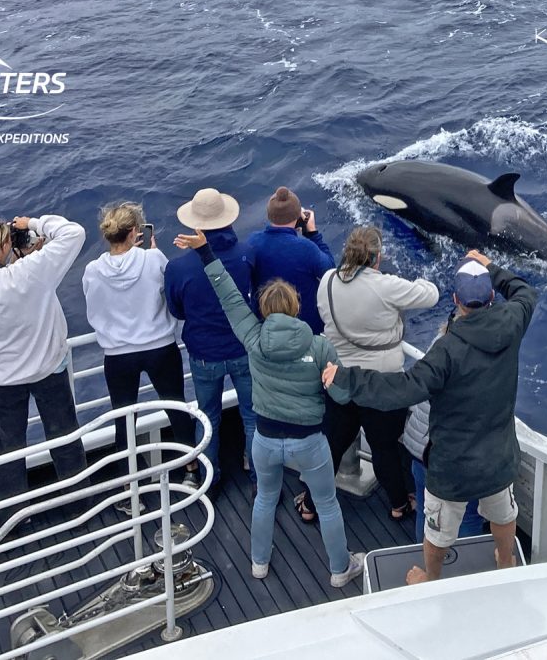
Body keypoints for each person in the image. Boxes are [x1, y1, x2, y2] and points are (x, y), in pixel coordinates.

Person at [323, 250, 536, 584]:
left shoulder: (446, 351)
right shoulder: (513, 322)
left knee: (437, 531)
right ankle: (506, 561)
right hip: (498, 455)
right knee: (503, 513)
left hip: (452, 465)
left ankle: (429, 575)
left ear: (455, 300)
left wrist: (344, 378)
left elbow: (402, 389)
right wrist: (491, 266)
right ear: (492, 296)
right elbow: (525, 291)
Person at [174, 228, 364, 588]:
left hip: (265, 438)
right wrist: (336, 380)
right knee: (327, 504)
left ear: (262, 309)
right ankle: (341, 570)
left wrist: (206, 254)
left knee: (264, 499)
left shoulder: (253, 339)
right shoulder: (320, 346)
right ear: (295, 307)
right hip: (309, 442)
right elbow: (341, 397)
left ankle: (258, 564)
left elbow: (229, 297)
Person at [296, 226, 439, 523]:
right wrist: (423, 276)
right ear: (377, 257)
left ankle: (310, 504)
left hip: (339, 380)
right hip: (382, 384)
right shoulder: (386, 286)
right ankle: (399, 504)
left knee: (332, 446)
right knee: (384, 448)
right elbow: (431, 295)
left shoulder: (327, 281)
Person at [0, 214, 87, 522]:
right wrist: (33, 223)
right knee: (64, 440)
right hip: (48, 372)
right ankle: (78, 507)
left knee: (10, 452)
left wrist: (20, 257)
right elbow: (74, 232)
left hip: (4, 381)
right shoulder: (32, 271)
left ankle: (14, 518)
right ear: (5, 246)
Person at [81, 202, 196, 511]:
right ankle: (191, 472)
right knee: (176, 407)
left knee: (124, 420)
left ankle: (130, 492)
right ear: (135, 232)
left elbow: (94, 311)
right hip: (160, 346)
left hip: (118, 355)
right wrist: (150, 255)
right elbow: (167, 291)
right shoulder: (153, 258)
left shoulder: (93, 270)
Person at [165, 188, 257, 496]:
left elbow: (176, 310)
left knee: (208, 417)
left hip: (204, 354)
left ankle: (209, 477)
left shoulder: (178, 267)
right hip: (244, 349)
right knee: (252, 414)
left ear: (196, 224)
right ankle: (260, 476)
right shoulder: (247, 255)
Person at [401, 330, 485, 543]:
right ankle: (462, 572)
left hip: (421, 452)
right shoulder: (478, 362)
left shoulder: (436, 347)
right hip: (456, 461)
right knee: (468, 517)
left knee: (426, 513)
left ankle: (427, 566)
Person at [247, 186, 334, 334]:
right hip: (306, 327)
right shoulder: (306, 248)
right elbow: (329, 269)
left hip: (266, 326)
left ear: (269, 214)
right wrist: (313, 234)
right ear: (298, 216)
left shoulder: (253, 242)